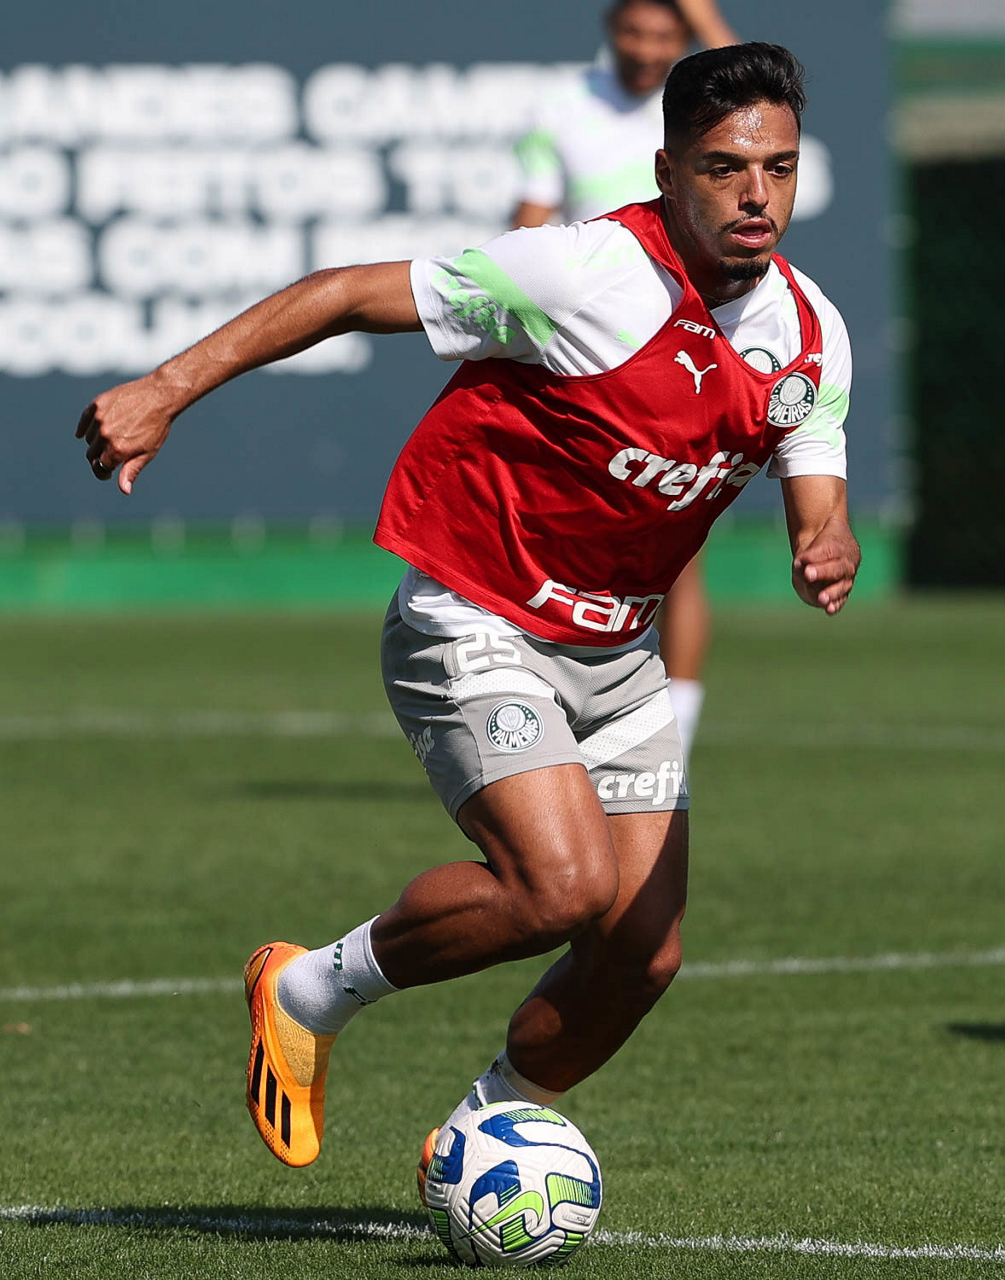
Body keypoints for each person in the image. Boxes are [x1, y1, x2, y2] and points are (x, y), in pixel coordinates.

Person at [77, 44, 859, 1181]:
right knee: (560, 887)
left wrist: (823, 538)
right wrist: (165, 388)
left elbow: (812, 470)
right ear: (667, 170)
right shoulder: (584, 272)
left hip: (617, 654)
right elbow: (345, 293)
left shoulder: (810, 330)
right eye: (724, 167)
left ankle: (486, 1129)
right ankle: (305, 989)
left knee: (640, 955)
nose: (756, 194)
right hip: (474, 616)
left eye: (777, 168)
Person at [513, 0, 741, 758]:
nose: (646, 48)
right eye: (634, 31)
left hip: (684, 339)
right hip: (588, 343)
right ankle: (546, 714)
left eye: (665, 34)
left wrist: (701, 13)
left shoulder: (702, 107)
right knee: (568, 534)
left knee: (676, 548)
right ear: (611, 30)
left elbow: (754, 97)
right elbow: (531, 221)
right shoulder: (562, 107)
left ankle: (673, 735)